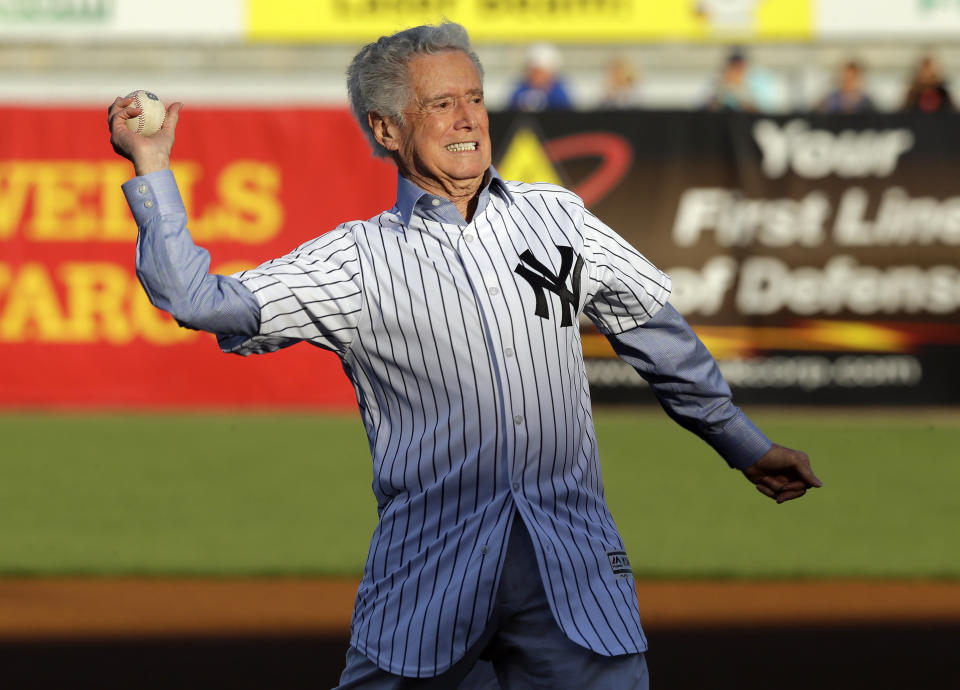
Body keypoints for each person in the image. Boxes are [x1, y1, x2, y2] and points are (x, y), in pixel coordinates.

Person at [108, 21, 821, 689]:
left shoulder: (558, 215)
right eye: (441, 103)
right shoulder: (357, 260)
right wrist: (152, 164)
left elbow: (657, 335)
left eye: (474, 98)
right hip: (428, 576)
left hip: (570, 572)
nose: (468, 119)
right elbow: (196, 299)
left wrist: (742, 444)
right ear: (386, 129)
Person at [507, 42, 573, 112]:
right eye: (532, 71)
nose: (535, 76)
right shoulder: (519, 91)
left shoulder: (559, 95)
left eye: (539, 72)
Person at [705, 47, 757, 112]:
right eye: (733, 66)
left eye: (739, 68)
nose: (734, 72)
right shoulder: (717, 85)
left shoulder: (754, 84)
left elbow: (755, 111)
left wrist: (739, 95)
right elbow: (709, 108)